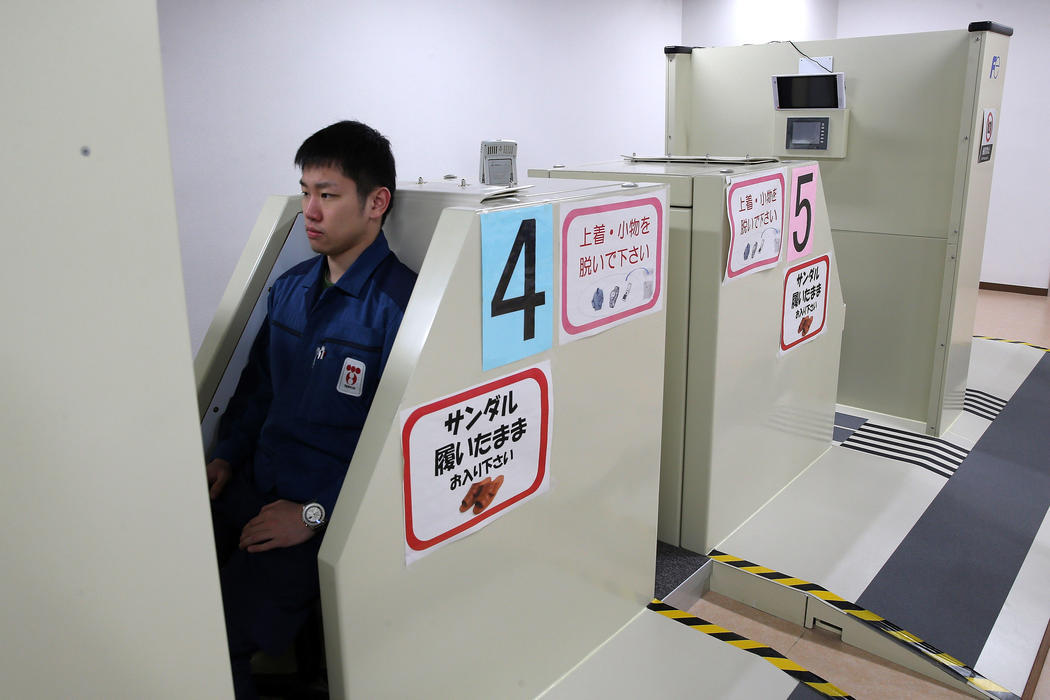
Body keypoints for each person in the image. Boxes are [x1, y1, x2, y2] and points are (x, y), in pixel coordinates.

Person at [205, 120, 416, 698]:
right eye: (305, 192)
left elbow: (404, 451)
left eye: (328, 194)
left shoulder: (403, 310)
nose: (310, 211)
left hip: (322, 516)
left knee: (219, 642)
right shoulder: (292, 288)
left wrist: (316, 514)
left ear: (377, 203)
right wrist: (225, 455)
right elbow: (259, 390)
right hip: (255, 483)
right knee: (170, 590)